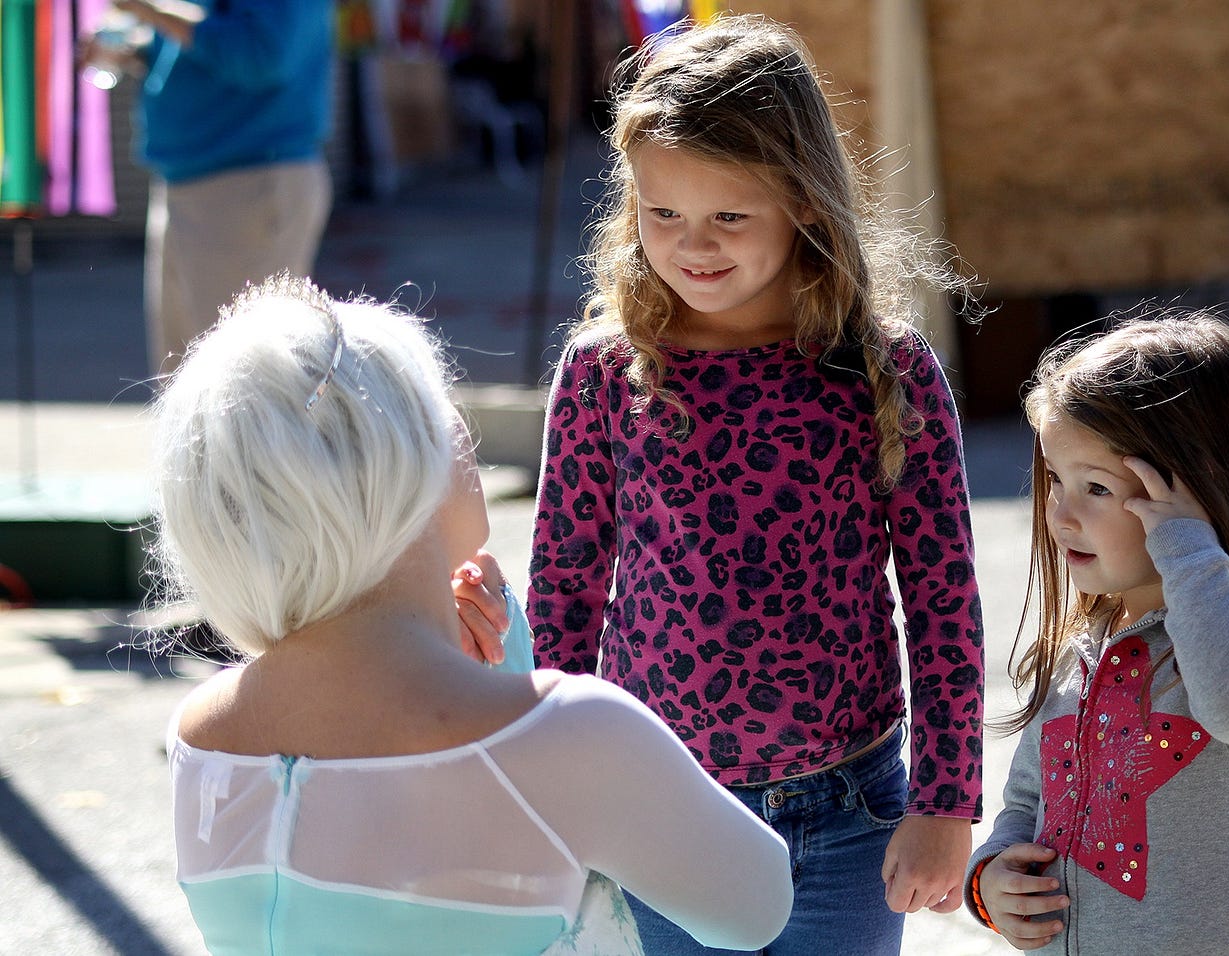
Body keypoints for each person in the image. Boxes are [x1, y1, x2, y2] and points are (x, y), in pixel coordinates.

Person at [151, 273, 794, 955]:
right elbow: (756, 906)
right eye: (440, 407)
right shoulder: (577, 729)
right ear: (396, 464)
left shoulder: (201, 736)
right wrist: (516, 683)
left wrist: (495, 662)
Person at [525, 15, 985, 954]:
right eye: (664, 215)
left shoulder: (883, 372)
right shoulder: (606, 372)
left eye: (730, 216)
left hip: (850, 817)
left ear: (806, 203)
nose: (694, 245)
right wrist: (559, 795)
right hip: (656, 816)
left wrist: (947, 800)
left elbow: (942, 599)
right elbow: (566, 592)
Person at [964, 312, 1229, 954]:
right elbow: (1028, 802)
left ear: (1201, 492)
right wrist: (995, 875)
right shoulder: (1076, 653)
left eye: (1096, 487)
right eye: (1056, 482)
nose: (1060, 514)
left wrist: (1186, 549)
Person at [81, 0, 334, 378]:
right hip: (191, 183)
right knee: (183, 380)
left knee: (242, 386)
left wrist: (150, 10)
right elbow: (194, 46)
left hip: (247, 183)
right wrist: (134, 49)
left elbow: (263, 55)